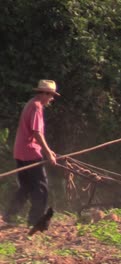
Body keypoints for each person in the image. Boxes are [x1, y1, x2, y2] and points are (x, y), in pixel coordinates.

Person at [2, 79, 59, 226]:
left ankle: (10, 215)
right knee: (41, 188)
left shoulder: (31, 103)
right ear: (44, 94)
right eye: (51, 95)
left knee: (26, 187)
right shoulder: (36, 107)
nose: (51, 98)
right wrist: (47, 153)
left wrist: (48, 150)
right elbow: (36, 133)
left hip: (20, 152)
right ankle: (36, 221)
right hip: (30, 153)